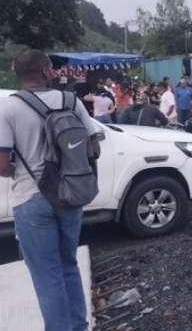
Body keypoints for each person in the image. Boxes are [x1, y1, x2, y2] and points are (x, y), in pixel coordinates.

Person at [0, 50, 102, 331]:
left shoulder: (8, 108)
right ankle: (78, 326)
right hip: (69, 194)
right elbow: (95, 148)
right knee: (68, 265)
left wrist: (18, 167)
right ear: (46, 71)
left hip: (31, 198)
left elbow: (2, 166)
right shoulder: (71, 101)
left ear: (19, 74)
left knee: (47, 275)